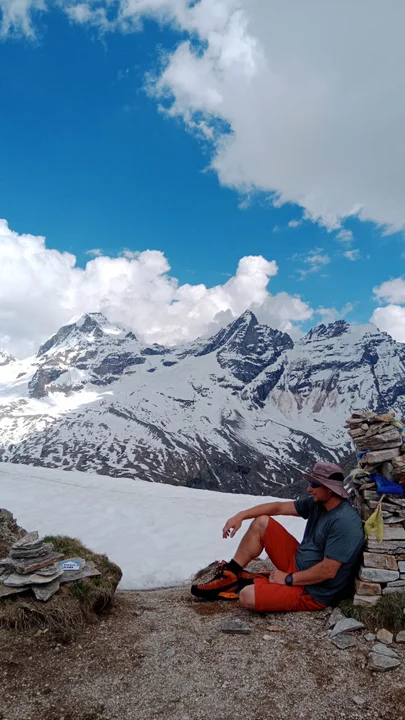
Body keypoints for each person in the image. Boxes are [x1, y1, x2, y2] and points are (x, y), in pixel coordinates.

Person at [191, 462, 364, 612]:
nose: (309, 489)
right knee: (262, 522)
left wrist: (288, 579)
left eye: (314, 484)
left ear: (330, 489)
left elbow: (328, 571)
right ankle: (231, 575)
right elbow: (279, 508)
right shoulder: (318, 503)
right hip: (297, 564)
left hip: (313, 590)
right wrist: (241, 516)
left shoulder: (344, 522)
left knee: (247, 596)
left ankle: (258, 583)